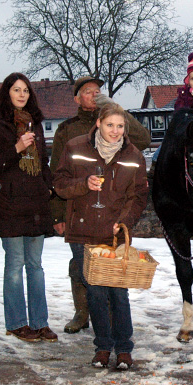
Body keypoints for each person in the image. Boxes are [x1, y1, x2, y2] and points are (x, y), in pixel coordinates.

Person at [49, 76, 150, 334]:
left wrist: (116, 109)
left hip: (111, 216)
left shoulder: (116, 123)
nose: (94, 95)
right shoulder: (67, 130)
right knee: (81, 268)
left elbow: (143, 139)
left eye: (98, 92)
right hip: (79, 215)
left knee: (110, 271)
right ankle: (82, 312)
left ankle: (106, 321)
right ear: (76, 99)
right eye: (87, 92)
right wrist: (58, 214)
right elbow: (57, 176)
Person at [0, 73, 57, 343]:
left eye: (26, 90)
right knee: (14, 264)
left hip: (36, 202)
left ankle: (40, 323)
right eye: (17, 90)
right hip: (10, 203)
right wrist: (17, 147)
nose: (22, 94)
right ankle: (16, 323)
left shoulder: (35, 122)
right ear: (7, 93)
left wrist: (47, 186)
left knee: (35, 265)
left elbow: (44, 160)